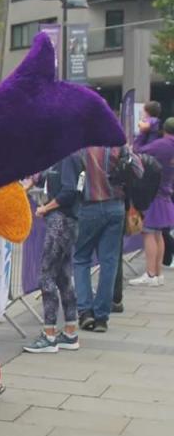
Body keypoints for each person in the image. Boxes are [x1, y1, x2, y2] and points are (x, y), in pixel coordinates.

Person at [23, 158, 80, 352]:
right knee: (63, 277)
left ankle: (49, 334)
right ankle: (70, 332)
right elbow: (41, 178)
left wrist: (45, 208)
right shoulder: (56, 158)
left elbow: (69, 191)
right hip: (59, 221)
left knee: (46, 275)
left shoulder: (68, 159)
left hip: (62, 222)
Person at [73, 145, 125, 332]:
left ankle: (85, 311)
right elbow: (138, 170)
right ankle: (102, 317)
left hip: (88, 207)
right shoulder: (118, 146)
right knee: (109, 262)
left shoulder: (80, 147)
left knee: (81, 258)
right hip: (115, 206)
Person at [131, 117, 174, 287]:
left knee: (148, 233)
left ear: (164, 129)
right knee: (158, 235)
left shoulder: (161, 145)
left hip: (152, 193)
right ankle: (158, 273)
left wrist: (143, 133)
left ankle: (150, 274)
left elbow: (137, 151)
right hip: (165, 191)